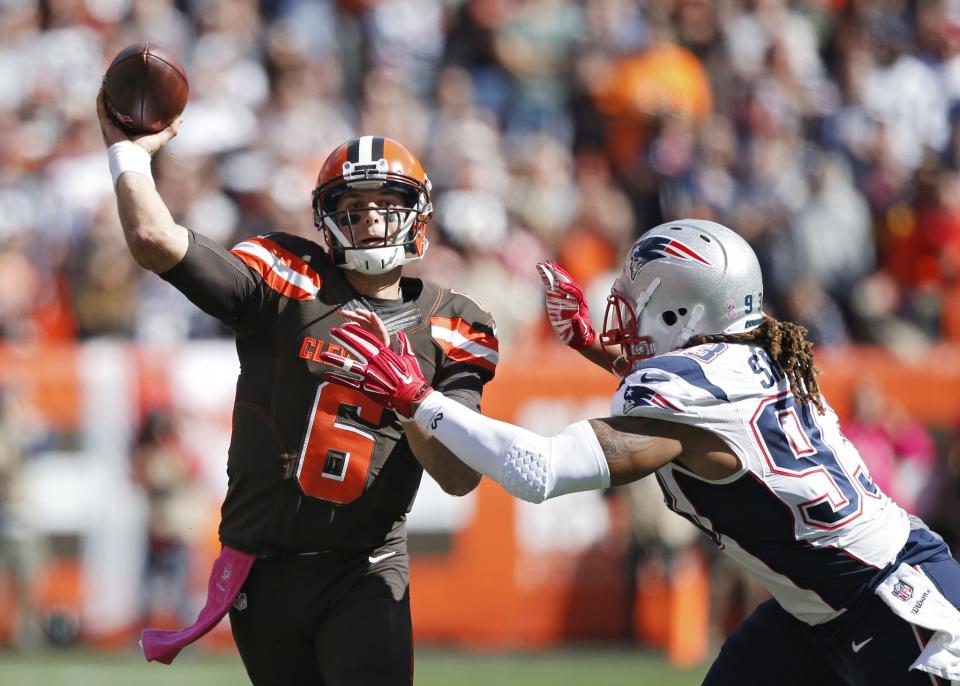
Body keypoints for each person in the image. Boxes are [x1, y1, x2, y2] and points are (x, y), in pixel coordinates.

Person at [321, 218, 960, 686]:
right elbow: (698, 418)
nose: (622, 313)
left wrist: (417, 397)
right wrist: (595, 351)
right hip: (823, 606)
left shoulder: (686, 393)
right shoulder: (761, 356)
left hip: (897, 608)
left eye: (639, 300)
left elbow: (540, 470)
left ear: (683, 308)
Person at [97, 91, 498, 686]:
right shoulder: (288, 276)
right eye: (353, 205)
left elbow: (460, 477)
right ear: (326, 215)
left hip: (367, 563)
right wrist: (128, 155)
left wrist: (416, 402)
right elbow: (155, 240)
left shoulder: (454, 324)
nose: (369, 219)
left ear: (417, 214)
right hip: (264, 567)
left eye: (386, 203)